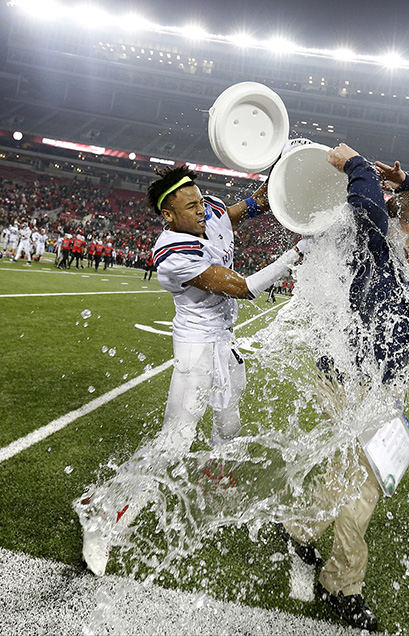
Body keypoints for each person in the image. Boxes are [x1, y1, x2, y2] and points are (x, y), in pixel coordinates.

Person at [77, 165, 309, 577]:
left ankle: (216, 479)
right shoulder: (172, 253)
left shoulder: (211, 211)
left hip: (225, 338)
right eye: (192, 206)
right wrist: (298, 253)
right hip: (196, 346)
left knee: (229, 415)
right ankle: (101, 511)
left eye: (202, 201)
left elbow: (247, 206)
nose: (203, 210)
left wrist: (283, 175)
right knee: (176, 441)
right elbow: (243, 287)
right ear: (169, 216)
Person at [279, 144, 409, 632]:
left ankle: (300, 531)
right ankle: (343, 583)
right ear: (397, 227)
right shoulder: (374, 241)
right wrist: (355, 166)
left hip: (386, 385)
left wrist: (406, 176)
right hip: (351, 377)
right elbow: (369, 204)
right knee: (365, 479)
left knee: (348, 467)